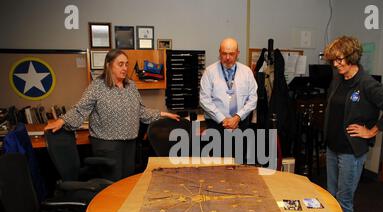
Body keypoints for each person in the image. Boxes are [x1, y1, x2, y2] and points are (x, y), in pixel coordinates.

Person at [44, 49, 180, 181]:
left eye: (126, 64)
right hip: (107, 144)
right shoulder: (97, 86)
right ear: (109, 65)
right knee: (112, 184)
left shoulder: (131, 86)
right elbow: (80, 109)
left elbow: (140, 111)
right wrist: (62, 121)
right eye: (120, 64)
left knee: (127, 182)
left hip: (129, 143)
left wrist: (162, 114)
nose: (125, 68)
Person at [323, 36, 383, 212]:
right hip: (332, 148)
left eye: (340, 59)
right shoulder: (338, 78)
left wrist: (371, 131)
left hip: (350, 151)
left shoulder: (367, 84)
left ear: (352, 57)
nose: (336, 64)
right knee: (331, 197)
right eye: (333, 60)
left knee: (344, 201)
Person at [199, 37, 257, 158]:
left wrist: (237, 117)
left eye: (231, 54)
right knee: (216, 165)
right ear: (219, 52)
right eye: (224, 53)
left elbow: (253, 99)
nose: (228, 57)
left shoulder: (246, 72)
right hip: (216, 125)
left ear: (238, 54)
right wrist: (223, 119)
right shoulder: (209, 72)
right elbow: (204, 100)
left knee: (239, 163)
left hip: (240, 124)